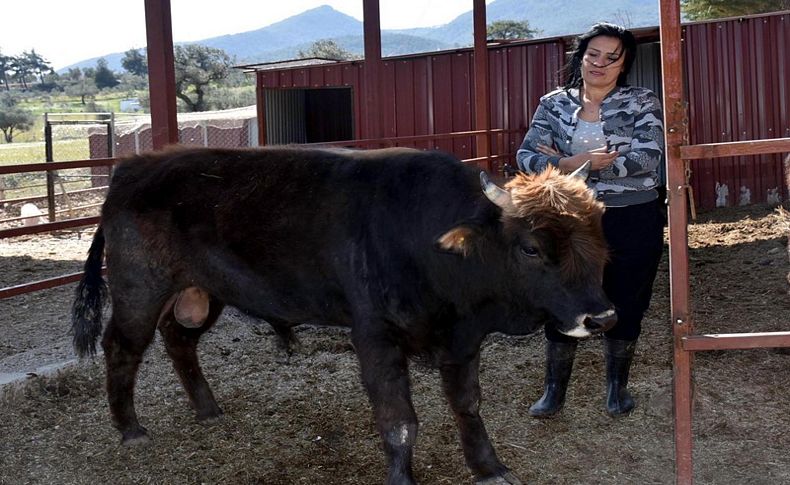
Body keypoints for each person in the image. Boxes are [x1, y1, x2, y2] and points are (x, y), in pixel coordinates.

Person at [516, 22, 665, 417]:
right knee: (564, 294)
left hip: (632, 215)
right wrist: (576, 163)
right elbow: (527, 157)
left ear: (624, 64)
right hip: (571, 220)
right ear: (581, 57)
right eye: (593, 54)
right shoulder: (553, 103)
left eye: (611, 57)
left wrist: (567, 165)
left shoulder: (642, 101)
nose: (600, 63)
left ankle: (617, 389)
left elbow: (648, 159)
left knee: (628, 297)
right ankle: (553, 392)